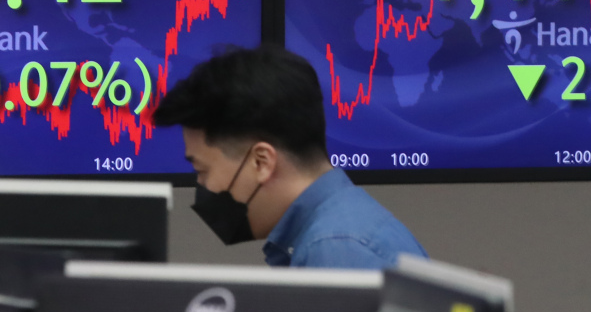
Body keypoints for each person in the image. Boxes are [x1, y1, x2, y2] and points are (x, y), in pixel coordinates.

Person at [153, 45, 428, 268]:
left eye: (202, 170)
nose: (203, 187)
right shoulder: (336, 231)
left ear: (261, 162)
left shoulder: (335, 252)